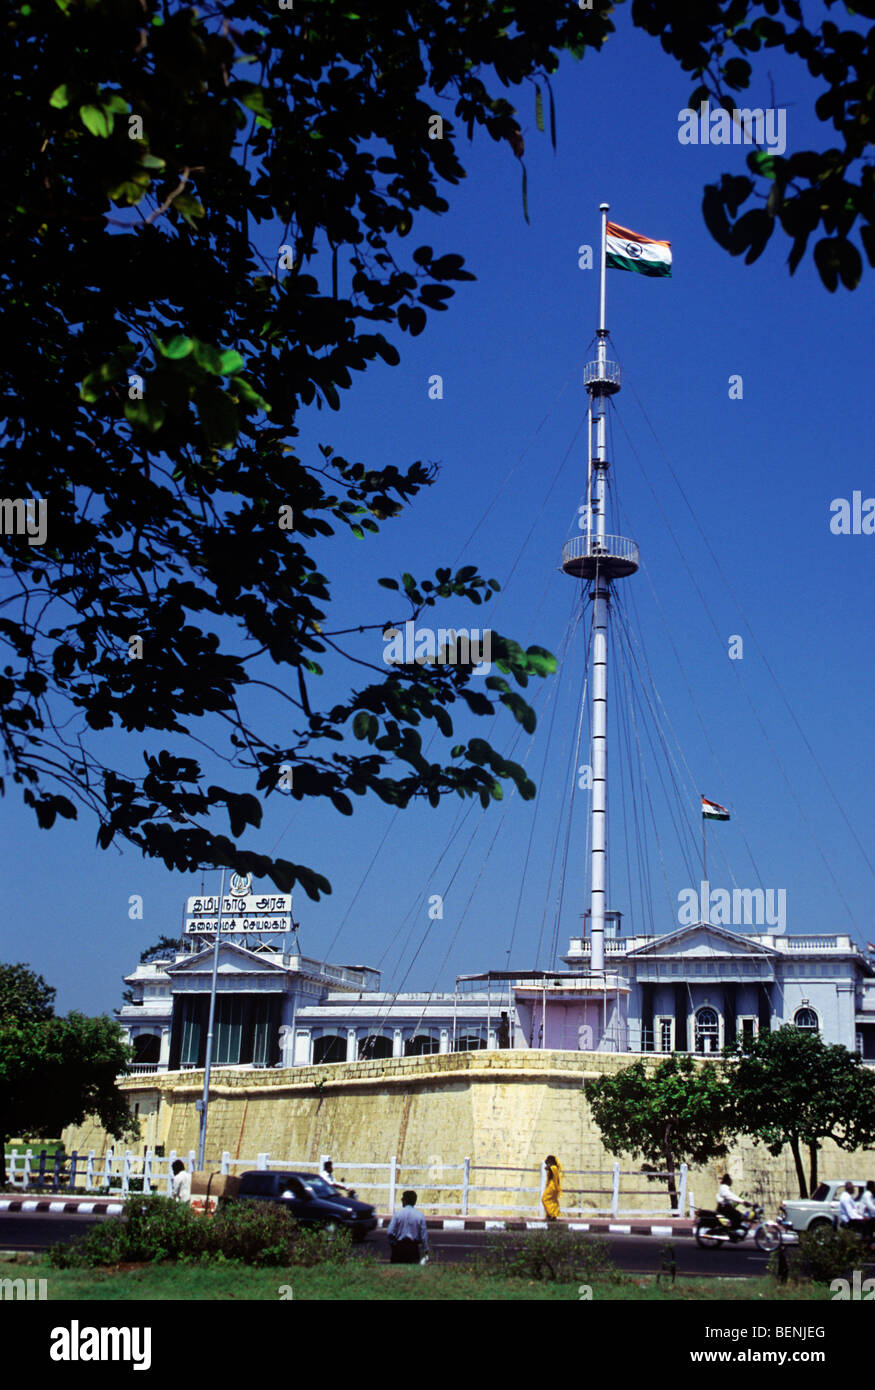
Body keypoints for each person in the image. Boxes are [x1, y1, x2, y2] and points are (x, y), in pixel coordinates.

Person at [386, 1189, 429, 1264]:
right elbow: (423, 1237)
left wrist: (393, 1243)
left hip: (399, 1247)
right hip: (413, 1249)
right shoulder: (420, 1216)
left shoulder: (397, 1214)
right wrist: (425, 1249)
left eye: (403, 1199)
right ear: (414, 1202)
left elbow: (390, 1232)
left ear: (405, 1200)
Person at [542, 1155, 562, 1221]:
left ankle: (551, 1214)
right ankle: (551, 1215)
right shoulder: (554, 1167)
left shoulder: (553, 1167)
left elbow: (547, 1168)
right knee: (552, 1201)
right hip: (552, 1186)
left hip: (552, 1187)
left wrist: (548, 1164)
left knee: (544, 1199)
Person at [860, 1181, 875, 1245]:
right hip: (865, 1217)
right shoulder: (867, 1195)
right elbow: (871, 1207)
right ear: (871, 1187)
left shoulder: (870, 1194)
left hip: (869, 1216)